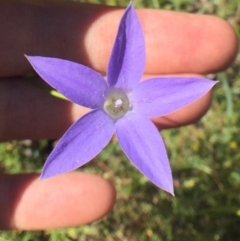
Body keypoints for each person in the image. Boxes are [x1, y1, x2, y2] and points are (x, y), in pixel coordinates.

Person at [0, 0, 238, 230]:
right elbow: (59, 75)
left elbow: (180, 94)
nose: (117, 104)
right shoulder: (99, 103)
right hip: (95, 104)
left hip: (120, 112)